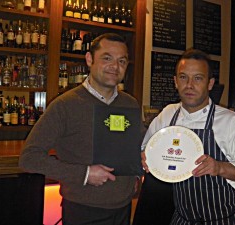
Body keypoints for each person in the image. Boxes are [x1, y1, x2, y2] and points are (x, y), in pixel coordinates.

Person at [19, 33, 143, 225]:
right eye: (107, 58)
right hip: (82, 211)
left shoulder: (131, 104)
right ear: (89, 59)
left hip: (124, 208)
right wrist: (85, 174)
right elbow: (29, 158)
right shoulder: (65, 105)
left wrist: (137, 173)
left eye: (122, 61)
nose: (115, 67)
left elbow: (138, 146)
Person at [134, 48, 235, 225]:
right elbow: (146, 148)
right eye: (183, 77)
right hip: (182, 218)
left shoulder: (230, 121)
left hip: (221, 219)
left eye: (198, 78)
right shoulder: (168, 114)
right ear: (175, 81)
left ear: (210, 84)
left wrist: (218, 167)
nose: (189, 85)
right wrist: (144, 157)